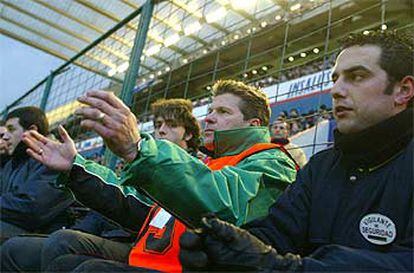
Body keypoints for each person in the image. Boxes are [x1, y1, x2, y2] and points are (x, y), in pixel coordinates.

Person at [179, 30, 414, 272]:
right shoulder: (321, 167)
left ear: (403, 90)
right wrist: (226, 249)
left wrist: (285, 269)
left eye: (357, 76)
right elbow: (277, 233)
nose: (336, 90)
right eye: (335, 79)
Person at [23, 79, 297, 272]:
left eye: (223, 111)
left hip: (187, 264)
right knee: (63, 251)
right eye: (210, 110)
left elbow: (226, 206)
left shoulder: (272, 162)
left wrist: (139, 149)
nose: (209, 118)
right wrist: (77, 167)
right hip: (152, 255)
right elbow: (142, 208)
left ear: (254, 124)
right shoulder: (207, 163)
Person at [1, 99, 200, 273]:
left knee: (64, 244)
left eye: (171, 125)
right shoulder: (140, 166)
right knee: (17, 249)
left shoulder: (198, 170)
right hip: (111, 236)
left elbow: (33, 207)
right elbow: (115, 204)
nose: (161, 130)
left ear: (189, 135)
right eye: (157, 124)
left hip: (144, 247)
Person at [0, 106, 74, 243]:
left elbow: (32, 208)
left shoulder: (55, 161)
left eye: (11, 129)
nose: (5, 136)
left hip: (43, 236)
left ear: (32, 130)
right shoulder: (12, 163)